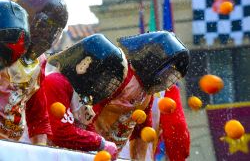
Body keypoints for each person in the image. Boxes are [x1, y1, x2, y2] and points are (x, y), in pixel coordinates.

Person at [43, 31, 190, 160]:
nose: (168, 78)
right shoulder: (121, 78)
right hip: (86, 150)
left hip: (104, 151)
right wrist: (99, 144)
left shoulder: (148, 92)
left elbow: (142, 131)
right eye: (167, 71)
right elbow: (83, 120)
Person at [0, 0, 68, 145]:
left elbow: (38, 114)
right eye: (44, 26)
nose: (47, 35)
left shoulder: (40, 61)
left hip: (13, 146)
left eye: (54, 30)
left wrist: (41, 150)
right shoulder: (4, 42)